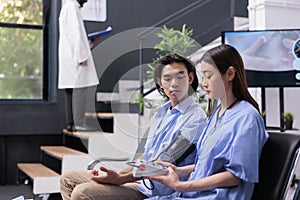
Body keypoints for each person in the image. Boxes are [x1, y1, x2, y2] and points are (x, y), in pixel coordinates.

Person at [60, 53, 207, 199]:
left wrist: (122, 179)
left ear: (190, 78)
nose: (174, 83)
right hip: (142, 182)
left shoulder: (196, 119)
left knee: (82, 193)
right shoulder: (162, 113)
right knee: (68, 179)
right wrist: (119, 174)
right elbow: (147, 156)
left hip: (160, 191)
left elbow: (164, 161)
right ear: (160, 83)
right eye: (167, 78)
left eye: (180, 76)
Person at [147, 44, 269, 199]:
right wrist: (180, 172)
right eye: (203, 77)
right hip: (193, 194)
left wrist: (182, 185)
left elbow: (235, 176)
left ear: (230, 74)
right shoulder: (216, 114)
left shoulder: (247, 118)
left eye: (209, 76)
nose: (204, 83)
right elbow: (208, 165)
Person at [58, 0, 100, 132]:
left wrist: (89, 43)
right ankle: (78, 123)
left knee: (71, 90)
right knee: (79, 90)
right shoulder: (72, 8)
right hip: (76, 58)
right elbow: (76, 34)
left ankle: (72, 123)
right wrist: (81, 56)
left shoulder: (68, 8)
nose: (87, 1)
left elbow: (74, 36)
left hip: (70, 56)